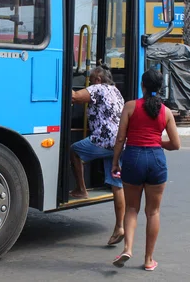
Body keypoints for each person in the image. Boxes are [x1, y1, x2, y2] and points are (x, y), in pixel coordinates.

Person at [110, 68, 180, 271]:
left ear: (143, 85)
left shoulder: (130, 106)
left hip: (133, 158)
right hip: (156, 160)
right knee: (153, 212)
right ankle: (149, 260)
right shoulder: (166, 112)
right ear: (160, 88)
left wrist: (115, 162)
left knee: (132, 208)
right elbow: (176, 144)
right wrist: (158, 143)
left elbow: (120, 138)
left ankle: (127, 249)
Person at [71, 64, 126, 246]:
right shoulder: (116, 91)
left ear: (98, 79)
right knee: (117, 185)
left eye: (91, 79)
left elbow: (74, 96)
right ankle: (119, 227)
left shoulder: (99, 88)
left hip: (104, 140)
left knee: (74, 151)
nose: (90, 82)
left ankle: (82, 190)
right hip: (119, 143)